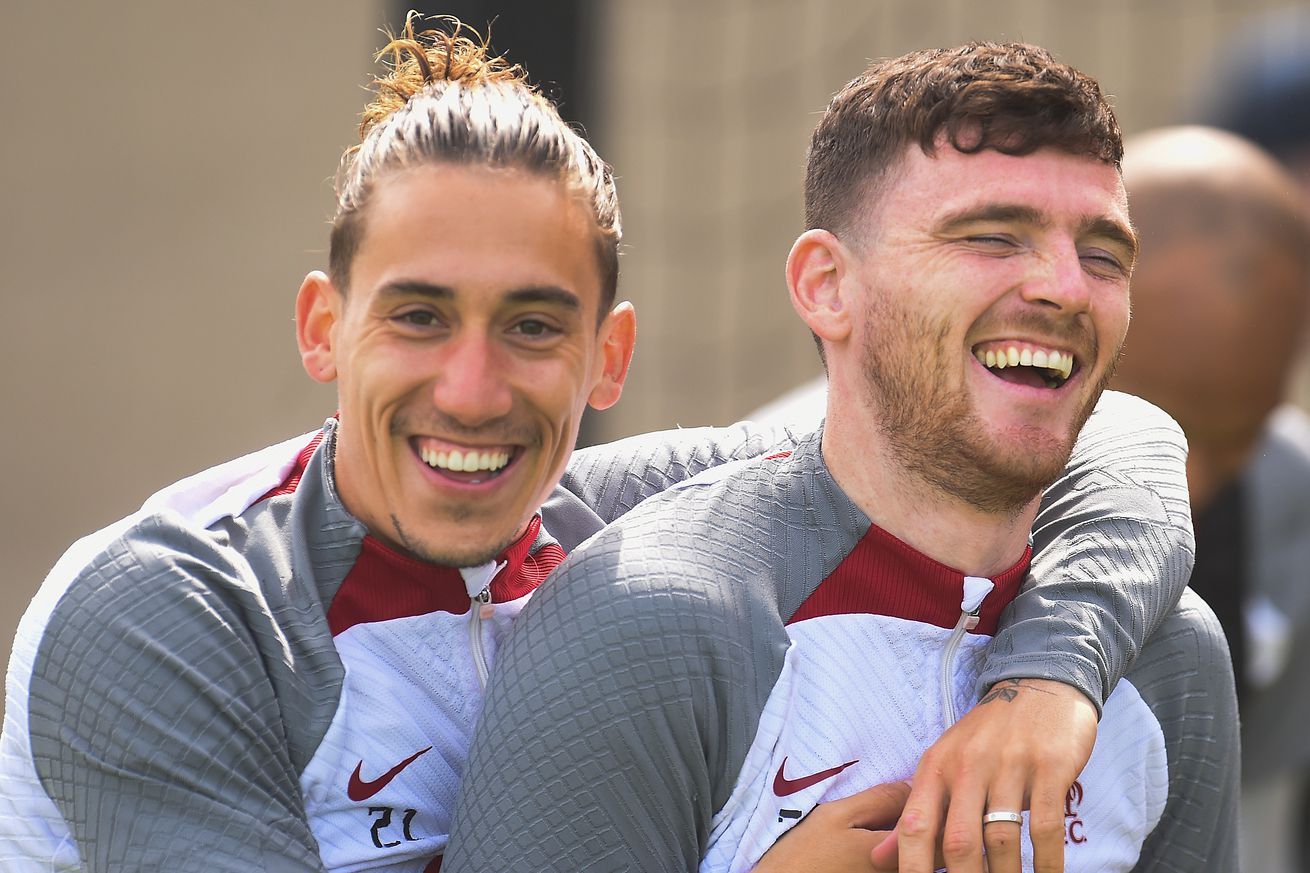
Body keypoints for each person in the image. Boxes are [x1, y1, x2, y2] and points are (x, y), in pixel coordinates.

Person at [0, 21, 1197, 873]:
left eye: (532, 326)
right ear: (324, 328)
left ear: (608, 356)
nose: (472, 390)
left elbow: (1111, 437)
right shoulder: (172, 614)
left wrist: (1050, 679)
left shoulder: (611, 516)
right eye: (418, 316)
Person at [444, 42, 1238, 873]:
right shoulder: (644, 625)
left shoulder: (1169, 657)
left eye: (1104, 255)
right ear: (826, 285)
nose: (1066, 288)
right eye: (992, 237)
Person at [1111, 124, 1310, 873]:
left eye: (1232, 440)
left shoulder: (1290, 499)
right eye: (1150, 429)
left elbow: (1252, 819)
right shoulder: (837, 488)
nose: (1185, 488)